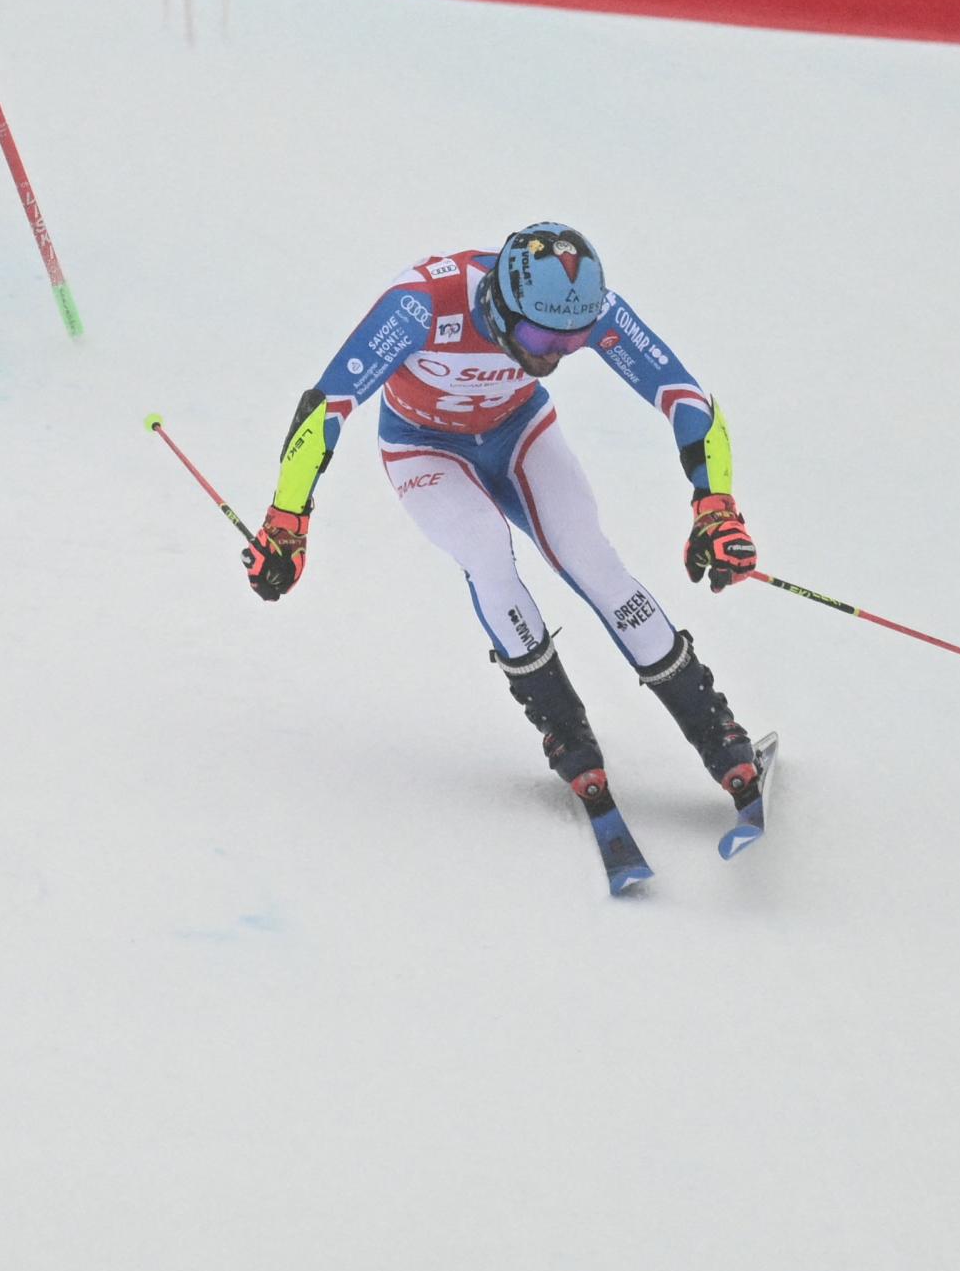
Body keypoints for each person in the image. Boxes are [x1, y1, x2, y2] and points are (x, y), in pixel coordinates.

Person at [242, 222, 762, 826]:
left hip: (519, 433)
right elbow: (326, 406)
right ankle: (566, 733)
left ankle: (717, 735)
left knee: (591, 557)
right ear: (500, 302)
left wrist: (715, 505)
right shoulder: (420, 305)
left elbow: (685, 396)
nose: (551, 354)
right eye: (541, 335)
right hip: (423, 447)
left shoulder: (588, 311)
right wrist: (287, 521)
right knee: (487, 552)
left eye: (572, 344)